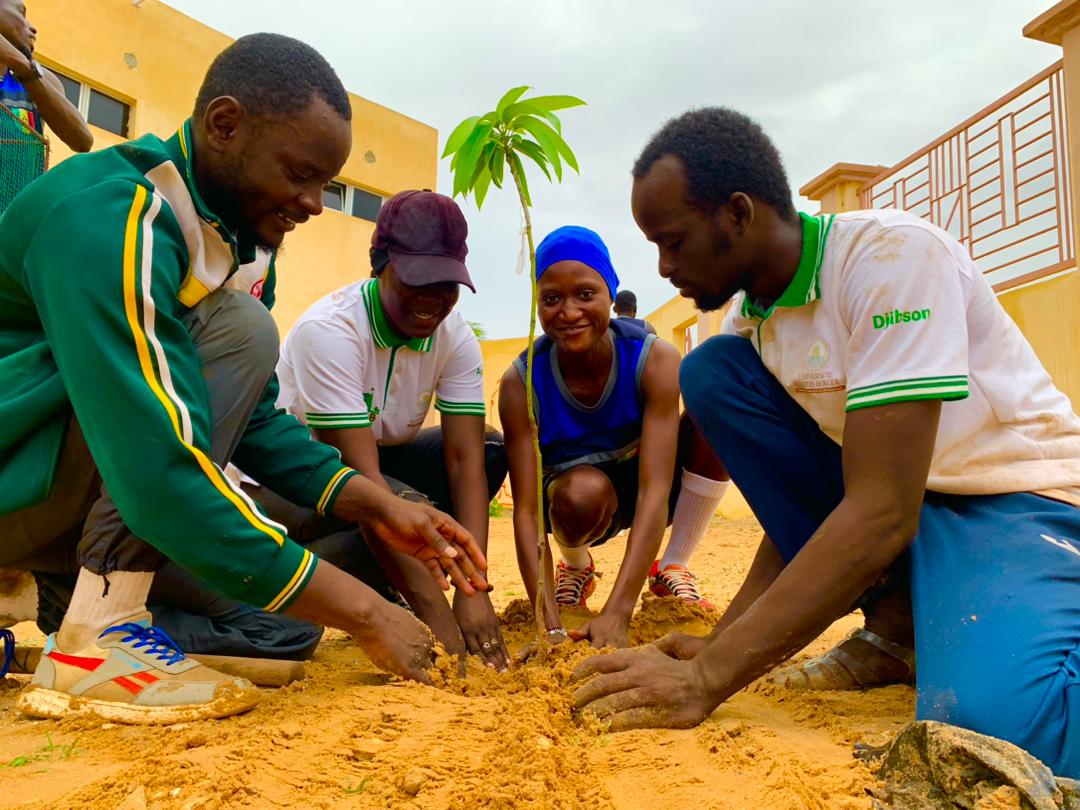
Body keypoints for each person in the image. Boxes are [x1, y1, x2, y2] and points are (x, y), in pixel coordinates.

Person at [571, 107, 1080, 779]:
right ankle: (897, 628)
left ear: (738, 214)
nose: (663, 267)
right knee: (714, 373)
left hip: (1009, 499)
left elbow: (879, 511)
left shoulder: (892, 258)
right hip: (912, 510)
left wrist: (709, 681)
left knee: (1001, 726)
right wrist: (719, 645)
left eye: (674, 241)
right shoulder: (749, 321)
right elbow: (800, 517)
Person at [0, 33, 489, 725]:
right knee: (242, 328)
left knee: (285, 634)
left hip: (60, 497)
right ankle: (95, 633)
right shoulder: (115, 218)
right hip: (20, 480)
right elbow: (158, 469)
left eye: (328, 184)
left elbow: (257, 423)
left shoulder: (199, 235)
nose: (316, 202)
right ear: (224, 125)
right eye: (302, 173)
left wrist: (382, 508)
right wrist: (371, 614)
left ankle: (79, 611)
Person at [273, 189, 510, 670]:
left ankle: (376, 568)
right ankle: (313, 565)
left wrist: (474, 589)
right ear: (380, 266)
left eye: (446, 283)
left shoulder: (455, 337)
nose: (432, 299)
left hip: (379, 465)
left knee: (487, 449)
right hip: (294, 479)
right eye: (416, 280)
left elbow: (464, 462)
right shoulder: (331, 332)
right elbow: (365, 488)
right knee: (399, 505)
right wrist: (442, 628)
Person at [499, 226, 728, 649]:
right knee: (582, 492)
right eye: (551, 299)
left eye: (585, 294)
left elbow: (655, 490)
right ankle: (577, 566)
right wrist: (547, 624)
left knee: (716, 413)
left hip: (644, 488)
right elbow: (528, 513)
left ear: (610, 294)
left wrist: (617, 613)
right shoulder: (522, 382)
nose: (569, 312)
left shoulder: (654, 359)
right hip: (579, 502)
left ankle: (672, 566)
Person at [0, 0, 92, 211]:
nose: (32, 27)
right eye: (21, 13)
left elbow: (82, 140)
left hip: (14, 222)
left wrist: (23, 67)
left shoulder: (39, 82)